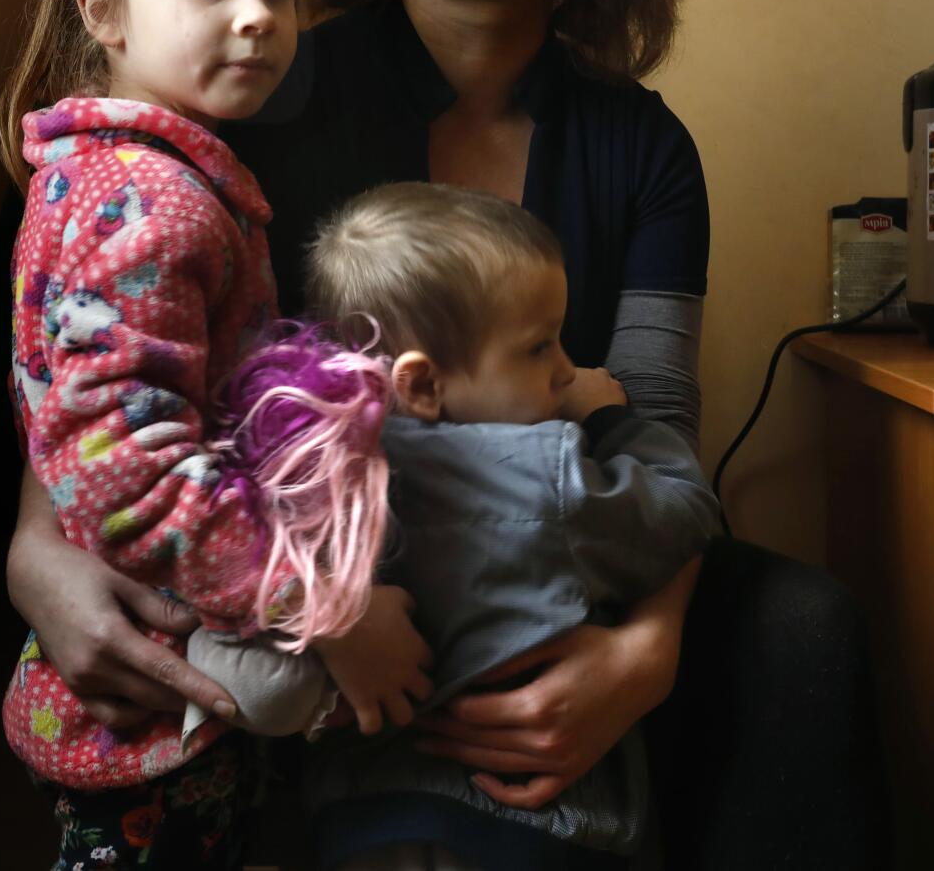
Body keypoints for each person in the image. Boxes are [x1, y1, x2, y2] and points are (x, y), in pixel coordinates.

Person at [4, 0, 888, 868]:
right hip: (318, 562)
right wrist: (35, 553)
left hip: (553, 539)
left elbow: (655, 422)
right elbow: (98, 328)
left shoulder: (644, 148)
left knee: (803, 625)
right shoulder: (259, 83)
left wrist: (641, 655)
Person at [0, 0, 422, 870]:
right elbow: (122, 473)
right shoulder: (153, 203)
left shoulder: (119, 179)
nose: (258, 14)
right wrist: (328, 610)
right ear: (103, 13)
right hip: (152, 704)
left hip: (169, 681)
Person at [302, 182, 722, 870]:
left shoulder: (311, 473)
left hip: (357, 815)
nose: (564, 368)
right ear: (423, 385)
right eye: (539, 347)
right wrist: (610, 418)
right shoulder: (544, 477)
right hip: (523, 820)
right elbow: (685, 510)